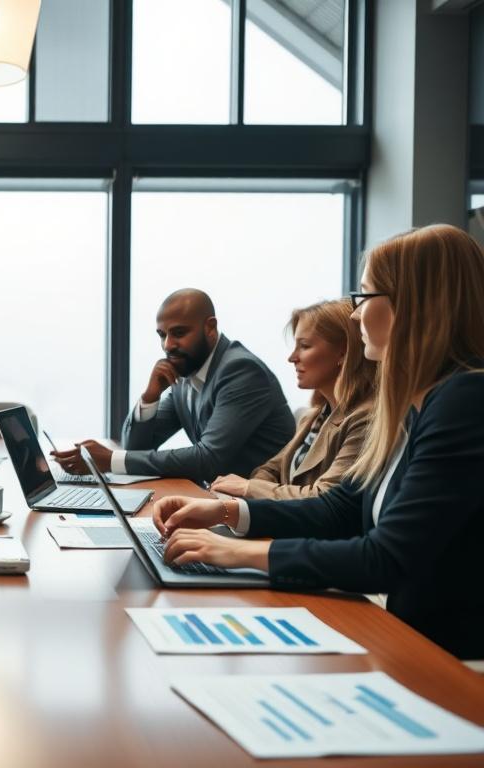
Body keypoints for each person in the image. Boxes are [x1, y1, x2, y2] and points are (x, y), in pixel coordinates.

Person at [152, 224, 484, 660]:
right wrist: (228, 511)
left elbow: (384, 558)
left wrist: (239, 552)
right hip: (403, 635)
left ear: (414, 307)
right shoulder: (413, 405)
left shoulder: (464, 401)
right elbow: (340, 509)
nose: (354, 315)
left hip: (451, 661)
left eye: (363, 298)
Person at [53, 289, 295, 483]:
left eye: (178, 333)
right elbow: (136, 447)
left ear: (210, 327)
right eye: (162, 335)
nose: (168, 345)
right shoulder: (186, 371)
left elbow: (208, 458)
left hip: (258, 513)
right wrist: (150, 397)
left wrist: (111, 460)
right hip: (219, 502)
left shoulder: (240, 370)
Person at [210, 299, 376, 499]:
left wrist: (249, 488)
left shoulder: (365, 419)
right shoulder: (313, 416)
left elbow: (325, 498)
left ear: (343, 352)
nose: (292, 357)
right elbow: (270, 469)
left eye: (304, 346)